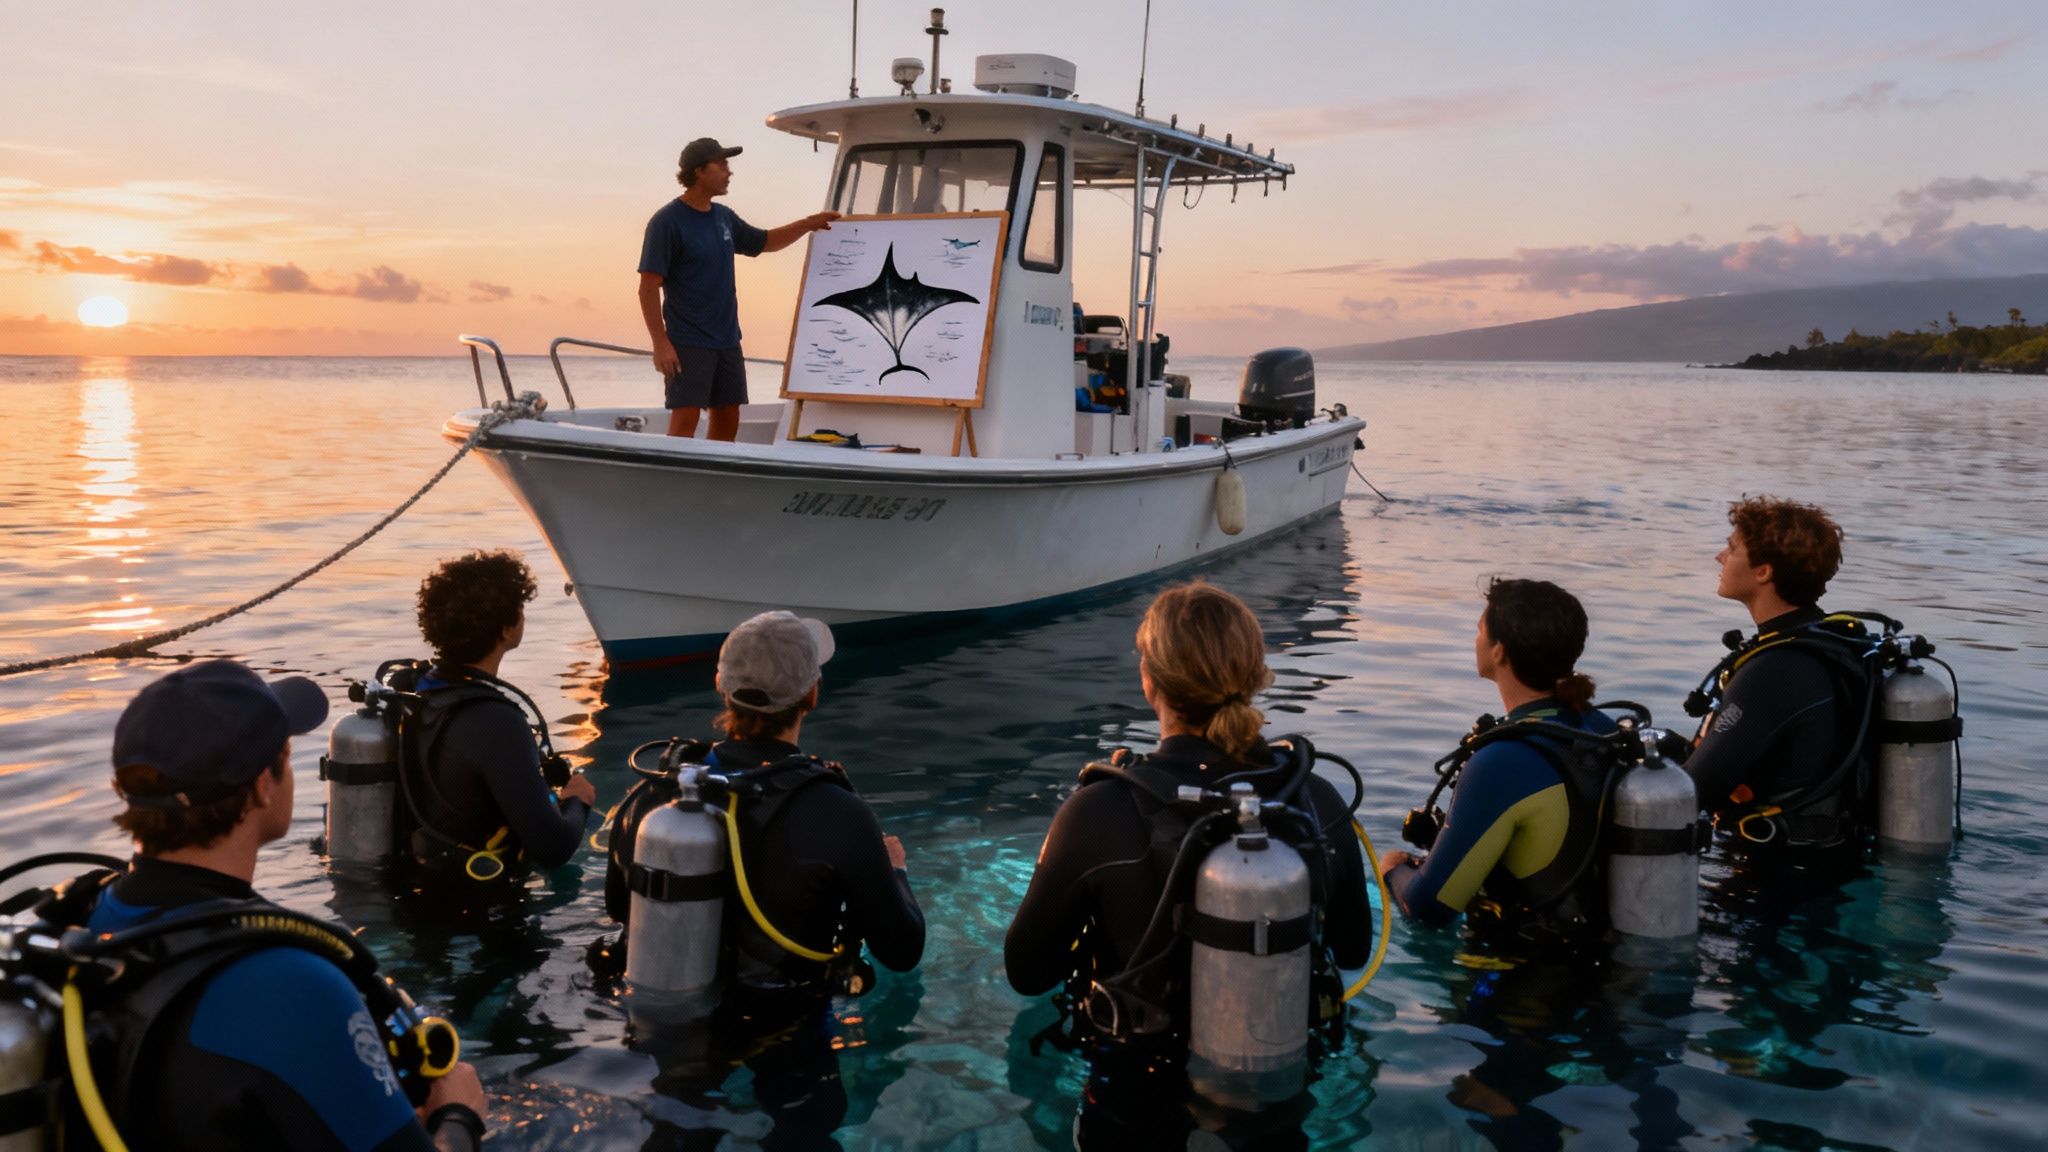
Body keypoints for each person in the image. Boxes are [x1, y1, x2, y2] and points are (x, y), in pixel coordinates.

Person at [51, 660, 488, 1150]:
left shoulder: (78, 924)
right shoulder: (293, 986)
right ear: (263, 784)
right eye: (285, 752)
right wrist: (458, 1115)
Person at [1004, 582, 1371, 1146]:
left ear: (1150, 681)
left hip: (1133, 1105)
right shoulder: (1314, 799)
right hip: (1270, 1103)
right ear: (1253, 674)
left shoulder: (1099, 810)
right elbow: (1351, 951)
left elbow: (1027, 971)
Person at [605, 609, 925, 1006]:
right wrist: (896, 871)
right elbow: (902, 950)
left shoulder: (653, 796)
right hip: (786, 1041)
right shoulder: (839, 813)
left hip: (663, 1024)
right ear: (812, 694)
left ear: (720, 685)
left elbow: (619, 908)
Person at [1378, 578, 1619, 943]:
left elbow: (1430, 907)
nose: (1475, 639)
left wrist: (1393, 869)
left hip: (1527, 981)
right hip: (1606, 957)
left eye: (1479, 631)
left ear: (1499, 652)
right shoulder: (1600, 728)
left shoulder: (1502, 762)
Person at [1683, 496, 1871, 848]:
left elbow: (1690, 792)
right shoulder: (1826, 645)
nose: (1719, 557)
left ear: (1764, 571)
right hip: (1832, 861)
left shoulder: (1773, 671)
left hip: (1773, 882)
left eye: (1731, 547)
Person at [400, 549, 595, 884]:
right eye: (519, 609)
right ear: (506, 629)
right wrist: (578, 802)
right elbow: (553, 848)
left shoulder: (414, 692)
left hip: (415, 887)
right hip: (479, 909)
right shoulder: (496, 723)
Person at [638, 136, 840, 441]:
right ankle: (673, 485)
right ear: (698, 172)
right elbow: (647, 288)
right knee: (685, 422)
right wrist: (660, 343)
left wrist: (809, 223)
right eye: (721, 165)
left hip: (727, 339)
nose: (728, 172)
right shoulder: (667, 222)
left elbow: (765, 242)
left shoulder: (724, 218)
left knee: (728, 419)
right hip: (688, 341)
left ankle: (709, 486)